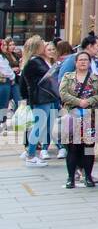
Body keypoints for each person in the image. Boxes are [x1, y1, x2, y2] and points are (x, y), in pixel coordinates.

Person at [59, 49, 98, 189]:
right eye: (81, 60)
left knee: (88, 148)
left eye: (86, 60)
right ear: (75, 62)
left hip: (89, 116)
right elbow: (63, 93)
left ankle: (88, 176)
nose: (83, 62)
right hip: (72, 115)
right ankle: (70, 177)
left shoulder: (96, 78)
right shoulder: (68, 77)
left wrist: (89, 101)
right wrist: (78, 101)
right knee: (72, 148)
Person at [20, 36, 58, 166]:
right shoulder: (35, 62)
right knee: (39, 126)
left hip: (42, 97)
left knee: (40, 126)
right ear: (37, 47)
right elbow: (46, 76)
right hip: (40, 97)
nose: (45, 45)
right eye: (42, 44)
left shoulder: (36, 61)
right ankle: (30, 155)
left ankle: (30, 153)